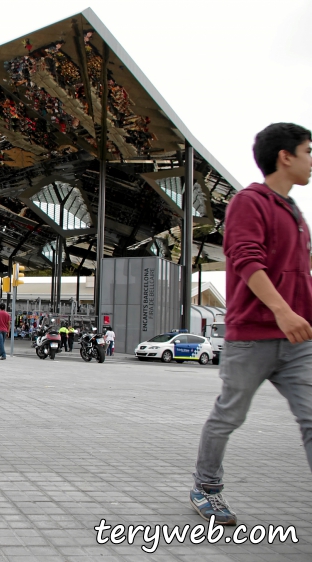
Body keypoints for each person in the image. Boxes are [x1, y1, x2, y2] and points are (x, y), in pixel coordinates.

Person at [190, 123, 312, 526]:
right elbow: (245, 260)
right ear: (286, 156)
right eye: (308, 151)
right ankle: (206, 487)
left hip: (297, 339)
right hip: (253, 337)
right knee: (229, 416)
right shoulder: (249, 202)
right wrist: (281, 310)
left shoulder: (295, 214)